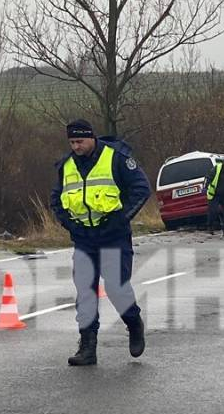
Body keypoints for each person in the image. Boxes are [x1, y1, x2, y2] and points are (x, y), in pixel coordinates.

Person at [48, 119, 152, 366]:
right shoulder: (67, 166)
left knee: (116, 287)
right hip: (84, 237)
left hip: (113, 235)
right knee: (85, 291)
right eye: (72, 142)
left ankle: (133, 323)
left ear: (92, 138)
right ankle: (87, 347)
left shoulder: (116, 158)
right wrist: (69, 224)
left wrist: (121, 219)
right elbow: (56, 199)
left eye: (80, 141)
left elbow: (141, 188)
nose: (76, 147)